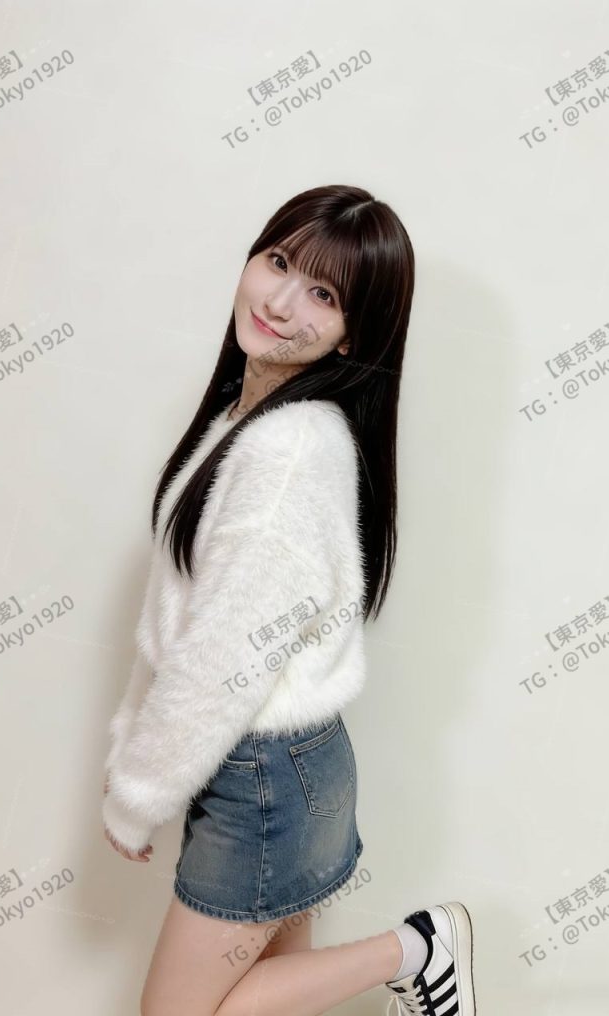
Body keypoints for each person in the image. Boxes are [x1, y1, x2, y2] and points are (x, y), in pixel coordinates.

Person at [101, 184, 477, 1016]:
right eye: (277, 262)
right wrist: (133, 745)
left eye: (324, 295)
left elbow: (221, 658)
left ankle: (416, 950)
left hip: (263, 775)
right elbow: (177, 618)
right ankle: (417, 952)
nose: (280, 303)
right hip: (279, 767)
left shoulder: (289, 450)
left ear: (354, 333)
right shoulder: (248, 421)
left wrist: (136, 794)